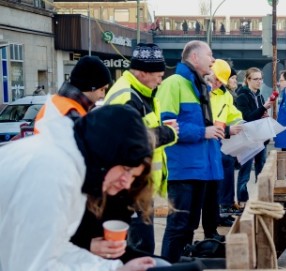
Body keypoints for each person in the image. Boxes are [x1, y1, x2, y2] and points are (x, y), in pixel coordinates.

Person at [0, 103, 156, 270]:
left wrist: (116, 268)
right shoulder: (54, 172)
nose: (127, 183)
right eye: (126, 169)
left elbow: (56, 249)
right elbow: (37, 265)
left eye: (133, 176)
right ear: (106, 152)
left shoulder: (71, 165)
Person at [103, 42, 178, 256]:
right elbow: (130, 143)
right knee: (138, 250)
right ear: (143, 72)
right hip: (127, 189)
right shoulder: (127, 97)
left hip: (138, 187)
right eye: (158, 75)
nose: (161, 80)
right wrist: (166, 133)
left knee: (140, 247)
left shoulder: (142, 93)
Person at [157, 40, 223, 263]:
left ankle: (178, 265)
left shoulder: (199, 85)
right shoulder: (174, 83)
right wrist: (202, 132)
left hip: (198, 169)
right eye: (209, 55)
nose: (213, 60)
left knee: (188, 227)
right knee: (177, 227)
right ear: (194, 57)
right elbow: (167, 125)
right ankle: (167, 267)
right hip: (182, 170)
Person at [208, 59, 244, 225]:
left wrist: (243, 125)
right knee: (211, 187)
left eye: (219, 81)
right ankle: (218, 214)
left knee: (223, 178)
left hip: (221, 145)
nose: (216, 84)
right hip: (209, 144)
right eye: (214, 79)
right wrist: (228, 130)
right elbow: (206, 123)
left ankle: (220, 214)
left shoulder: (225, 96)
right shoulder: (202, 94)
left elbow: (235, 115)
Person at [35, 55, 111, 125]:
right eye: (102, 89)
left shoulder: (56, 102)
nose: (103, 95)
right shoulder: (72, 113)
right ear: (91, 87)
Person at [234, 67, 272, 204]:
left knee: (261, 170)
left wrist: (264, 115)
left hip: (260, 138)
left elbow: (257, 116)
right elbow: (247, 118)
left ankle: (260, 199)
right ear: (247, 80)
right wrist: (263, 108)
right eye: (255, 79)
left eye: (261, 79)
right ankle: (242, 201)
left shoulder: (259, 96)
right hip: (247, 139)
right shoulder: (242, 96)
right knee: (245, 173)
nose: (259, 82)